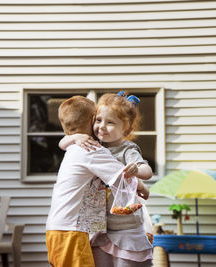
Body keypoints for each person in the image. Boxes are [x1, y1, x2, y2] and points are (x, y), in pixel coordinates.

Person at [60, 91, 153, 267]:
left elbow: (147, 171)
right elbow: (62, 144)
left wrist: (137, 170)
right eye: (98, 120)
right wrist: (75, 137)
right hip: (99, 227)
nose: (102, 126)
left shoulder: (127, 150)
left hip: (126, 225)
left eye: (110, 122)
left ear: (126, 129)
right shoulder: (93, 143)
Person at [46, 95, 128, 267]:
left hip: (62, 230)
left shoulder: (75, 146)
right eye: (98, 119)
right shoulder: (90, 150)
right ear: (92, 120)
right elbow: (123, 174)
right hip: (72, 231)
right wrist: (142, 186)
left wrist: (73, 137)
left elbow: (63, 142)